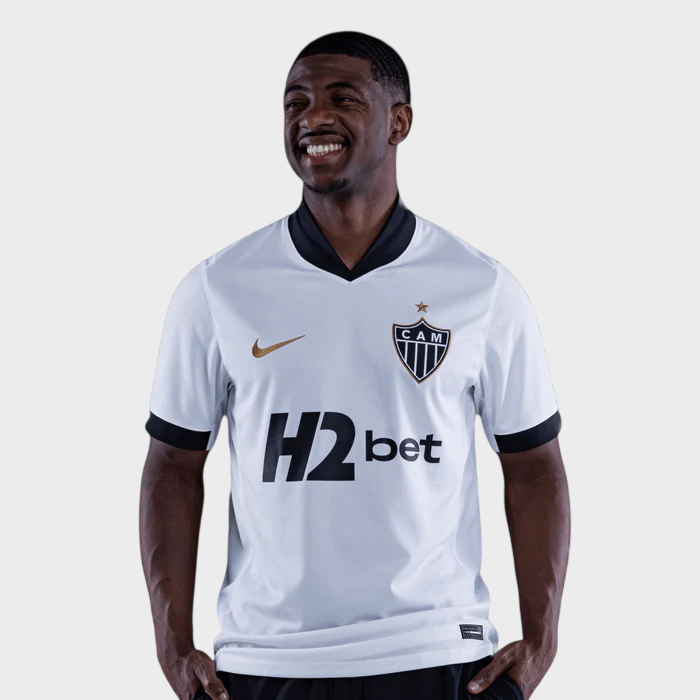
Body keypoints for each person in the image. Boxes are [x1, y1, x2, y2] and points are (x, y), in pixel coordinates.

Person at [139, 30, 571, 700]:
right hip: (266, 664)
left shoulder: (480, 287)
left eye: (342, 98)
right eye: (296, 102)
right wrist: (172, 646)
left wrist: (542, 639)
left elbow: (533, 463)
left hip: (438, 658)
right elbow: (172, 463)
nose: (313, 116)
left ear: (399, 122)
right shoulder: (218, 287)